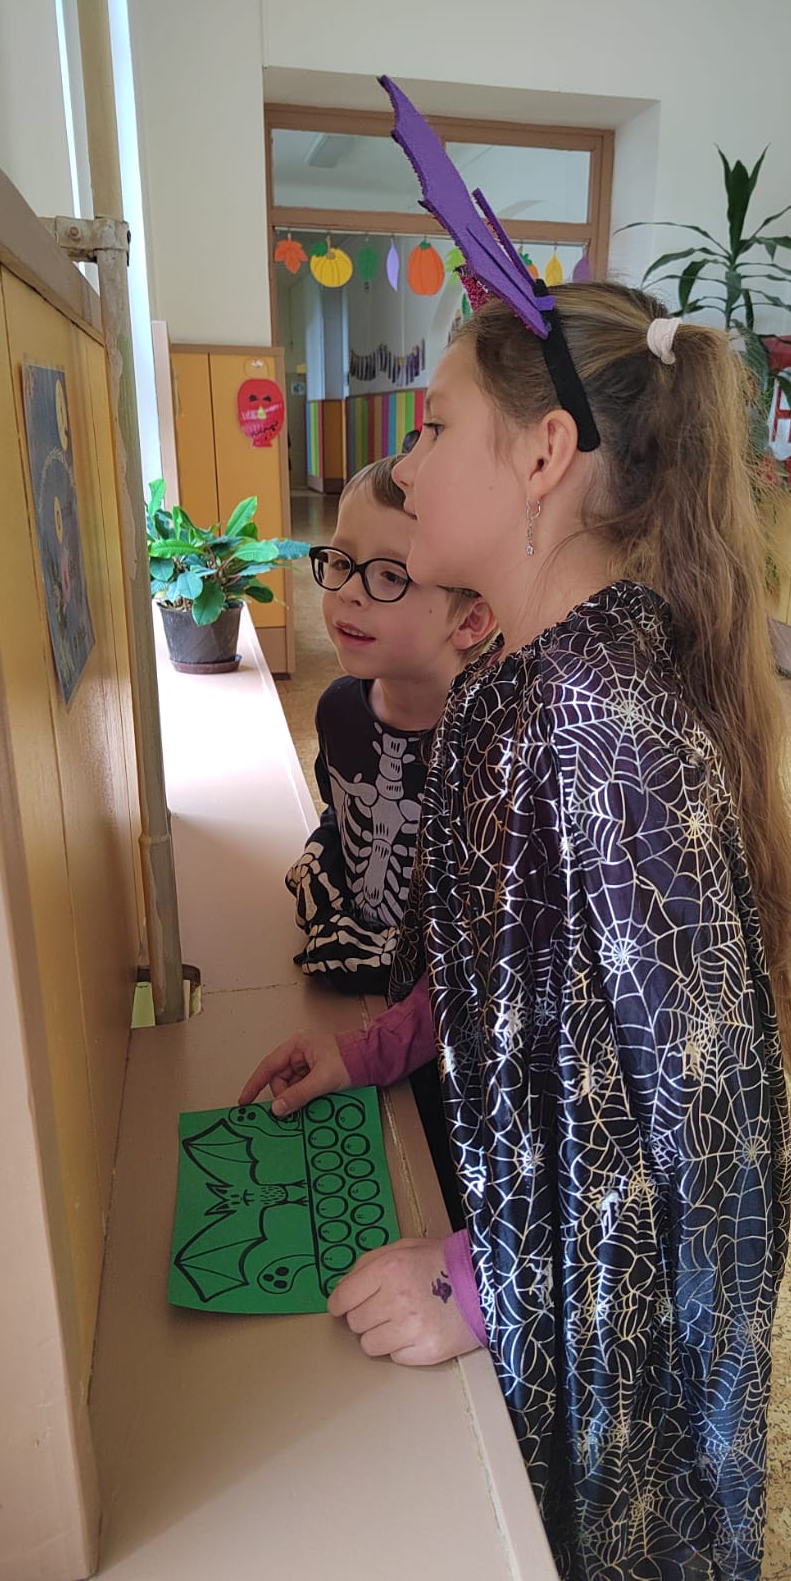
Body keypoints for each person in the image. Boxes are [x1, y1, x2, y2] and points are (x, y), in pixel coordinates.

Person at [241, 283, 791, 1581]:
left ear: (545, 455)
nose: (404, 464)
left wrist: (483, 1281)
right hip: (540, 1280)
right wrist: (373, 1054)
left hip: (604, 1380)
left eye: (434, 426)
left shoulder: (604, 729)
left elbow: (705, 1148)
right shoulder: (529, 687)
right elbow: (524, 1010)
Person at [285, 453, 494, 1222]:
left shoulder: (493, 752)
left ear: (470, 620)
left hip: (454, 1041)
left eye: (389, 576)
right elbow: (340, 817)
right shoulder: (338, 710)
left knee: (439, 1192)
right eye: (341, 562)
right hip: (351, 1003)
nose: (346, 592)